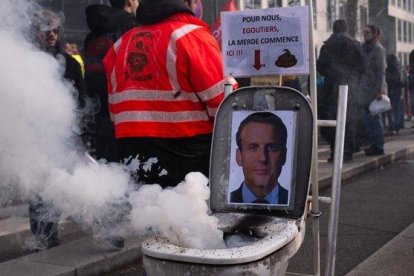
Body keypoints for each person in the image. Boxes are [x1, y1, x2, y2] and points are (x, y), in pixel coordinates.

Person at [103, 0, 236, 188]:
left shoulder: (120, 45)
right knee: (187, 212)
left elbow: (114, 111)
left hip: (131, 148)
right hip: (186, 153)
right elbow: (224, 105)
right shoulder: (192, 37)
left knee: (143, 211)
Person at [30, 9, 88, 250]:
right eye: (46, 30)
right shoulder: (27, 62)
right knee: (40, 187)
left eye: (55, 30)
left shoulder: (70, 64)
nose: (52, 35)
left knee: (60, 185)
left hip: (64, 135)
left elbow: (82, 102)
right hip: (35, 137)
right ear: (36, 32)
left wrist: (81, 134)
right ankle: (44, 234)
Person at [83, 0, 139, 162]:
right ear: (129, 2)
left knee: (107, 168)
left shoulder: (94, 34)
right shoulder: (131, 29)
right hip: (128, 112)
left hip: (99, 109)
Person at [316, 19, 365, 162]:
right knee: (349, 119)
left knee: (333, 119)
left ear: (333, 29)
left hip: (332, 87)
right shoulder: (355, 44)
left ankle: (335, 151)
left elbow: (321, 66)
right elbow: (363, 66)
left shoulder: (328, 45)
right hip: (352, 87)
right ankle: (347, 152)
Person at [230, 112, 289, 205]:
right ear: (239, 156)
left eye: (272, 148)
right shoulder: (225, 201)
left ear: (284, 156)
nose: (263, 158)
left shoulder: (296, 202)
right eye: (253, 148)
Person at [360, 24, 386, 156]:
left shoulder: (377, 49)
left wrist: (379, 90)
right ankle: (374, 144)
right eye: (364, 32)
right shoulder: (365, 48)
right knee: (368, 118)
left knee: (374, 117)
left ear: (374, 34)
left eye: (367, 32)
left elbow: (380, 71)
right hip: (365, 89)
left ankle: (378, 145)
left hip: (373, 89)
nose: (364, 35)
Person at [385, 54, 405, 136]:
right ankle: (397, 127)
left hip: (390, 92)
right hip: (398, 92)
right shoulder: (400, 70)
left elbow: (387, 81)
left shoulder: (387, 71)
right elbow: (402, 82)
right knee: (397, 110)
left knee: (390, 111)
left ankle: (392, 127)